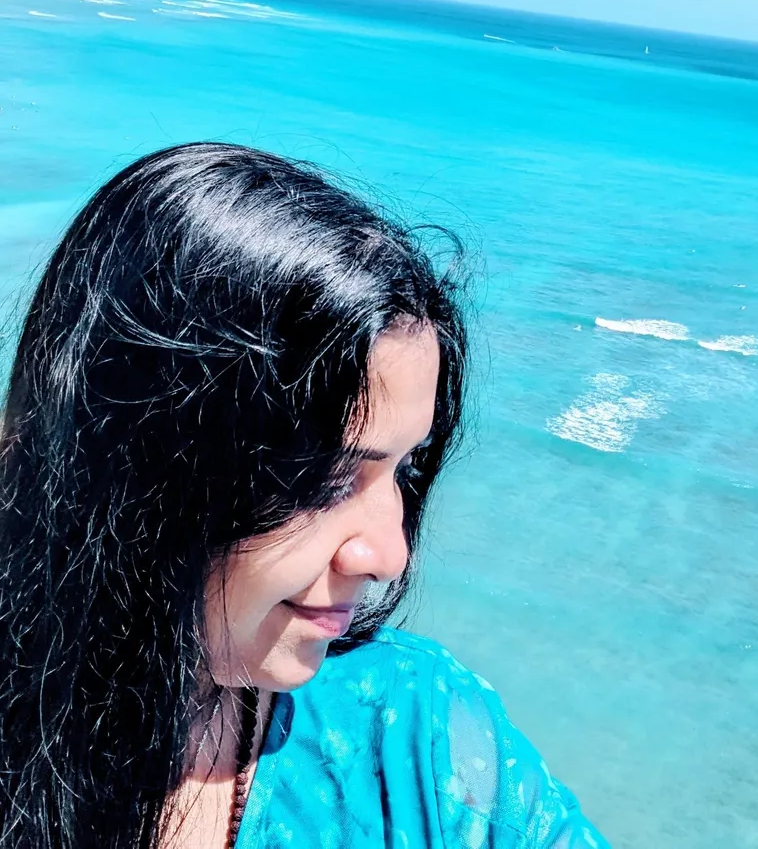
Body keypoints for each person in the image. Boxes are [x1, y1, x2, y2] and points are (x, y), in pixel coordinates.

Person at [0, 143, 608, 849]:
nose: (388, 555)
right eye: (325, 482)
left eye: (404, 473)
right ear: (148, 459)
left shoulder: (423, 739)